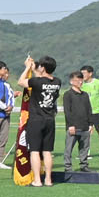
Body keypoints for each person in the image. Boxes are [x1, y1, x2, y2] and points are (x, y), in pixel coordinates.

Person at [20, 56, 61, 186]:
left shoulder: (36, 82)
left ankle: (37, 180)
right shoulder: (57, 81)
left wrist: (27, 67)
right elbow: (42, 80)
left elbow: (21, 82)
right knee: (47, 151)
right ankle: (48, 179)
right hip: (50, 120)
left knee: (34, 151)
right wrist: (35, 70)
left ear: (42, 68)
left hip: (36, 120)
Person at [62, 70, 94, 171]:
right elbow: (67, 111)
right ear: (71, 81)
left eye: (81, 80)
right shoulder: (68, 94)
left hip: (85, 126)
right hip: (73, 127)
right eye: (77, 80)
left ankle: (84, 166)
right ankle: (68, 167)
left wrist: (91, 124)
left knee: (84, 148)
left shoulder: (85, 95)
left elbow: (89, 110)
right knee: (69, 148)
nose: (80, 82)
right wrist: (70, 125)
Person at [80, 65, 99, 161]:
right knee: (87, 133)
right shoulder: (81, 84)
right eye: (81, 73)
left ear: (90, 73)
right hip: (85, 113)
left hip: (97, 112)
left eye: (84, 73)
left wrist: (98, 104)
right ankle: (86, 153)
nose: (82, 75)